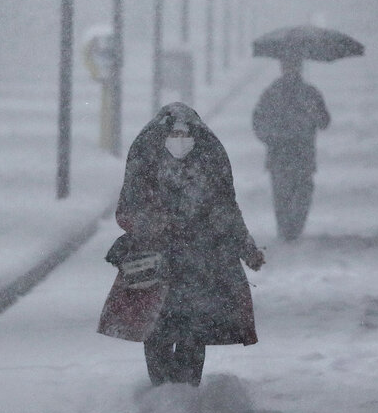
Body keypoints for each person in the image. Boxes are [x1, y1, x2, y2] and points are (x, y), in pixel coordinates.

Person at [98, 102, 265, 387]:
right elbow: (127, 210)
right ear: (161, 136)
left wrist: (246, 248)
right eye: (173, 135)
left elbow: (226, 210)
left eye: (184, 134)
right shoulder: (148, 159)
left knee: (191, 330)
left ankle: (183, 393)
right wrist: (155, 225)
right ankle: (165, 391)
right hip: (165, 265)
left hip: (194, 266)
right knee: (160, 330)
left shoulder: (207, 160)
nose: (179, 141)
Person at [252, 57, 330, 240]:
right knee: (284, 195)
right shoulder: (273, 94)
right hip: (285, 153)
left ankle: (292, 229)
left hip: (298, 154)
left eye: (294, 66)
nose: (292, 70)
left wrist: (314, 112)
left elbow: (324, 121)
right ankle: (287, 230)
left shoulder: (308, 94)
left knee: (299, 192)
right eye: (289, 66)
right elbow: (258, 121)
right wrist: (271, 137)